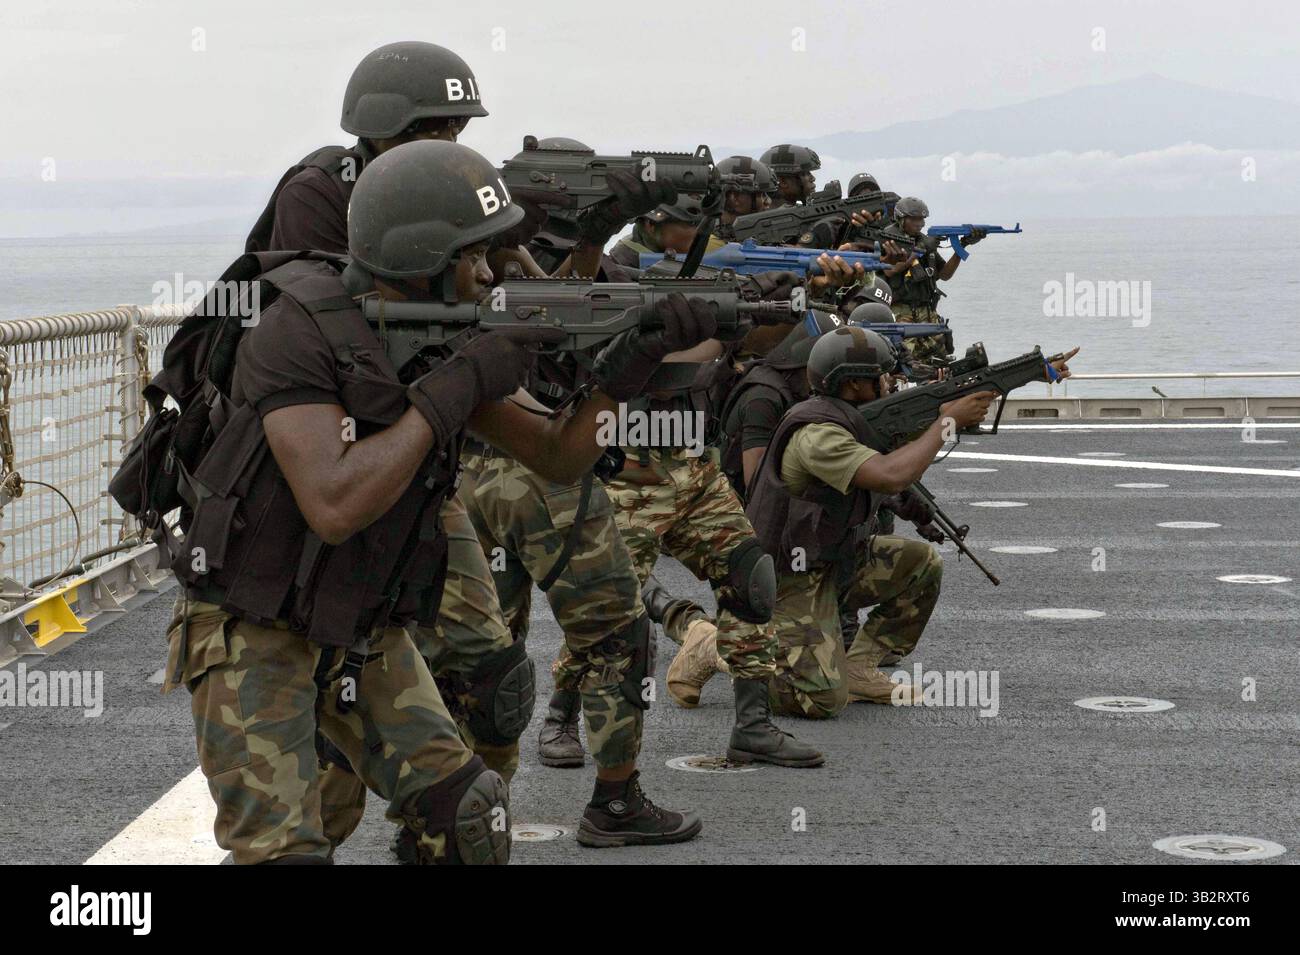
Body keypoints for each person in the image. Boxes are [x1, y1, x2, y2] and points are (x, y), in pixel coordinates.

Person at [164, 141, 568, 864]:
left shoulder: (444, 332)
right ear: (422, 255)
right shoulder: (296, 327)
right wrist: (456, 386)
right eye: (474, 256)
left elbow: (557, 453)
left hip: (357, 620)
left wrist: (630, 369)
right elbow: (334, 500)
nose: (488, 274)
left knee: (468, 820)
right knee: (288, 851)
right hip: (252, 628)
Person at [743, 326, 994, 718]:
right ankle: (720, 644)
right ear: (855, 385)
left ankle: (859, 669)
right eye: (881, 375)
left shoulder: (851, 421)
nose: (889, 381)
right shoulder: (818, 435)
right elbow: (889, 474)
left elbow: (885, 481)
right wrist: (946, 424)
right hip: (790, 578)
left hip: (834, 557)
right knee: (820, 699)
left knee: (921, 565)